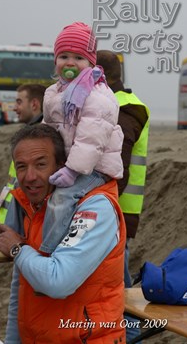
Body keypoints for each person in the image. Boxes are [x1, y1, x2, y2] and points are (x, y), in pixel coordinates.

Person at [0, 123, 126, 344]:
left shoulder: (95, 208)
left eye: (40, 164)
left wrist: (17, 249)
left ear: (61, 166)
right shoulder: (34, 206)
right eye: (21, 166)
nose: (29, 176)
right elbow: (21, 286)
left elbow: (59, 281)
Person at [40, 21, 124, 254]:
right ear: (55, 61)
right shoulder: (54, 92)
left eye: (78, 58)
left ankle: (48, 252)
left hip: (93, 168)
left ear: (90, 62)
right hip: (66, 161)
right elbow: (46, 128)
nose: (70, 63)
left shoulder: (96, 94)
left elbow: (91, 139)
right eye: (64, 56)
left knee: (62, 200)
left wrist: (72, 170)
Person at [97, 50, 150, 343]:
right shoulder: (111, 105)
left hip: (114, 212)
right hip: (113, 210)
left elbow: (119, 168)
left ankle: (129, 333)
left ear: (99, 75)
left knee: (118, 283)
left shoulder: (125, 108)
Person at [0, 83, 46, 224]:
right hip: (13, 218)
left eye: (19, 102)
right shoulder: (29, 135)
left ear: (34, 104)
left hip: (21, 222)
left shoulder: (39, 140)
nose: (15, 108)